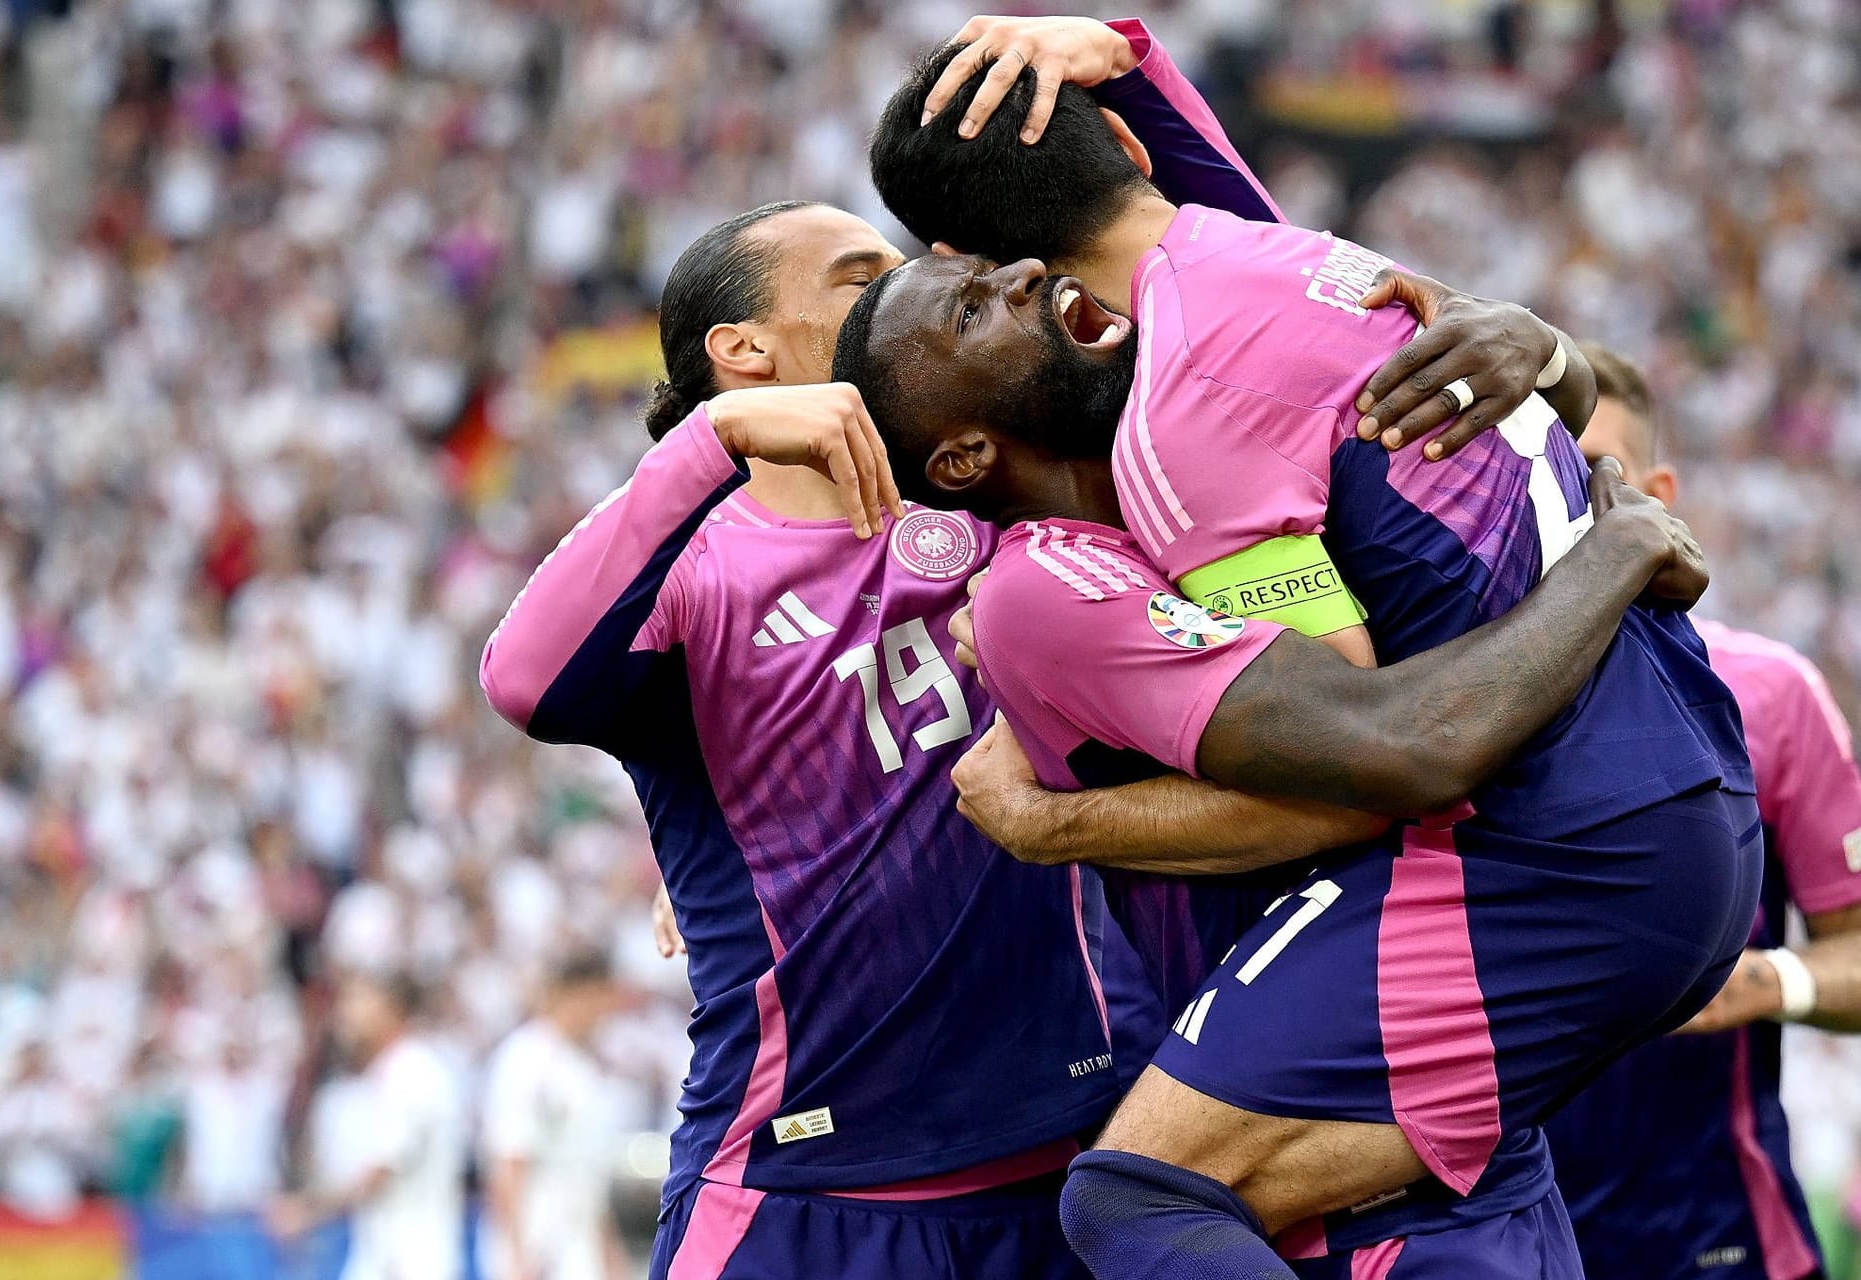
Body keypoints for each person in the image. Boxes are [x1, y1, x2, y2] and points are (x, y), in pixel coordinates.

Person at [479, 19, 1546, 1279]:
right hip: (814, 1181)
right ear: (743, 355)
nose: (914, 274)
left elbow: (1239, 294)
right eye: (855, 273)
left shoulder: (1006, 505)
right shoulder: (702, 572)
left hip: (1067, 1161)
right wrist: (710, 448)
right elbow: (525, 677)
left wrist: (1135, 69)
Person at [836, 42, 1761, 1278]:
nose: (1004, 283)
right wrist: (1559, 376)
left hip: (1544, 856)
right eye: (965, 300)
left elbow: (1388, 755)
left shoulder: (1172, 424)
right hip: (1654, 795)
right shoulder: (1278, 266)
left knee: (1133, 1198)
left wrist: (1055, 825)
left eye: (985, 272)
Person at [1543, 345, 1861, 1280]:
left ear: (1661, 493)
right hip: (1496, 1244)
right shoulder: (1422, 713)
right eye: (1537, 468)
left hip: (1716, 1238)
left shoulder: (1770, 694)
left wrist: (1764, 983)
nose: (1564, 501)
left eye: (1594, 466)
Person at [270, 972, 466, 1280]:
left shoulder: (414, 1074)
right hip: (383, 1254)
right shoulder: (381, 1075)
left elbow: (379, 1173)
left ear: (392, 1008)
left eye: (358, 1000)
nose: (346, 1013)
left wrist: (307, 1211)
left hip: (416, 1260)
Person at [482, 951, 637, 1280]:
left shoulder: (580, 1066)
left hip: (577, 1250)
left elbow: (586, 1180)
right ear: (577, 993)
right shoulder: (526, 1058)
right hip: (537, 1248)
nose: (607, 1010)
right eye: (602, 996)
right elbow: (509, 1162)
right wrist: (517, 1255)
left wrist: (611, 1258)